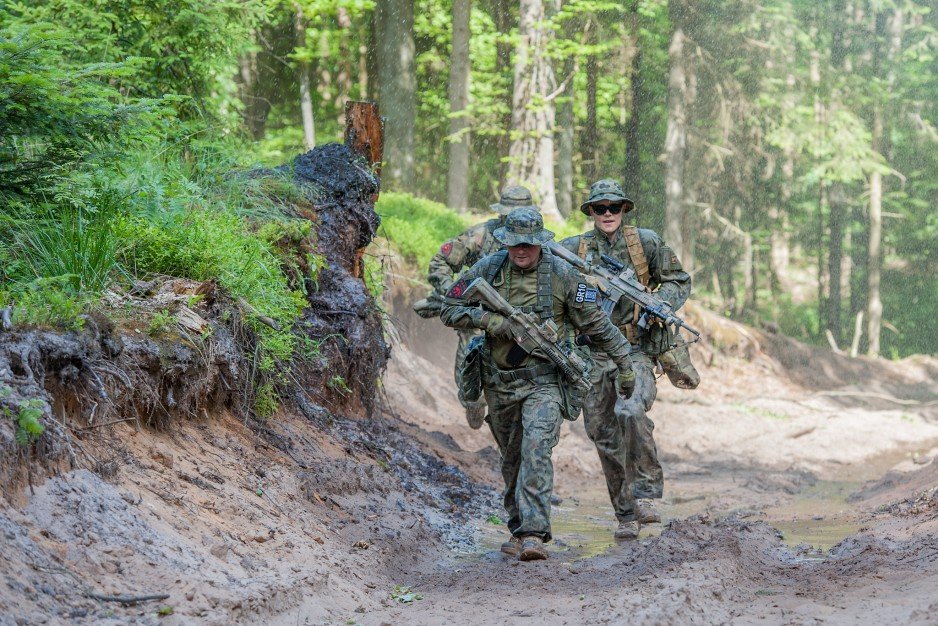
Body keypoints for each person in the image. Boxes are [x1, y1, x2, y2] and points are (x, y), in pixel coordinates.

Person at [440, 206, 636, 560]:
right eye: (515, 244)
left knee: (536, 446)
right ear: (506, 242)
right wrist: (493, 323)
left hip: (545, 382)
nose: (521, 251)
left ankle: (533, 532)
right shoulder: (489, 268)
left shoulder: (563, 274)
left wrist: (625, 364)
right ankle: (517, 527)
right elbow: (448, 307)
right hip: (498, 382)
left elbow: (596, 324)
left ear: (541, 243)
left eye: (529, 244)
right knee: (511, 457)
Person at [559, 179, 692, 536]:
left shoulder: (644, 243)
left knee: (630, 411)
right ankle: (626, 515)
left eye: (613, 207)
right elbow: (544, 274)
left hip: (633, 349)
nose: (607, 214)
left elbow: (679, 280)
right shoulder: (573, 248)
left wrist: (661, 303)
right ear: (590, 212)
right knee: (603, 434)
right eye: (600, 208)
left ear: (623, 210)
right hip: (590, 353)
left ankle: (647, 494)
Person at [426, 186, 537, 429]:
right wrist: (455, 293)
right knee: (469, 386)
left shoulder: (537, 242)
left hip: (518, 322)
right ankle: (475, 405)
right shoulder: (482, 235)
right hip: (478, 317)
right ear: (501, 215)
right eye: (510, 217)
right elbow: (440, 262)